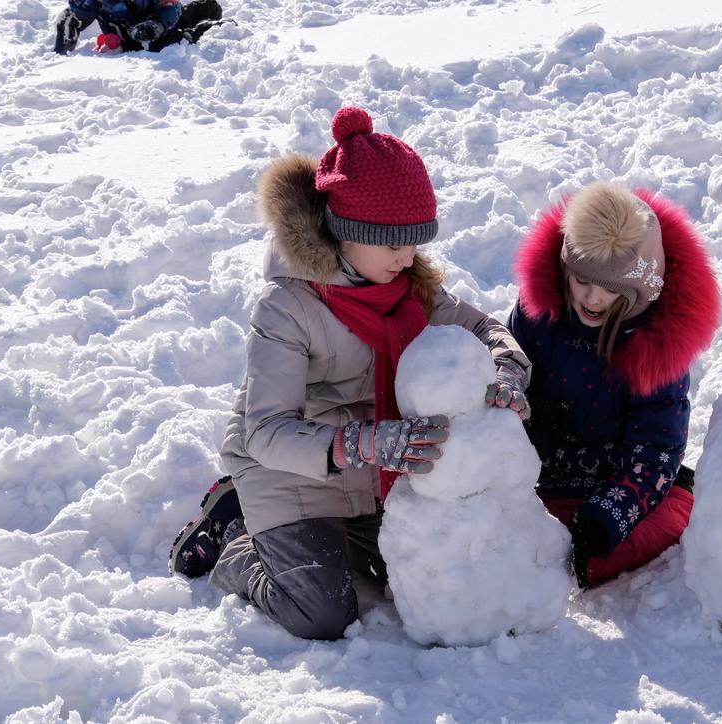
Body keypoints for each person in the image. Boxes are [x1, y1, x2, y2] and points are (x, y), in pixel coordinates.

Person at [168, 106, 531, 641]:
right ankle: (234, 540)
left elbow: (485, 330)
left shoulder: (408, 287)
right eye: (393, 244)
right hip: (288, 470)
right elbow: (264, 431)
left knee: (417, 573)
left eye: (415, 242)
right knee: (320, 613)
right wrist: (364, 443)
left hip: (372, 471)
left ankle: (318, 538)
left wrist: (506, 370)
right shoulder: (287, 306)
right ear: (345, 233)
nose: (407, 258)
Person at [510, 181, 720, 588]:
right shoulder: (539, 313)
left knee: (593, 547)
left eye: (611, 289)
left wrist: (607, 516)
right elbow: (509, 372)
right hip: (538, 478)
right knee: (509, 541)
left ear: (639, 290)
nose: (592, 299)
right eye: (582, 280)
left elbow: (656, 447)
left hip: (612, 481)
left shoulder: (655, 347)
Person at [54, 0, 226, 54]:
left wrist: (157, 25)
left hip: (160, 22)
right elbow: (76, 15)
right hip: (133, 41)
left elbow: (171, 5)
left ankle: (221, 29)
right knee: (162, 46)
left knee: (210, 8)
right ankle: (199, 31)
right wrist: (62, 50)